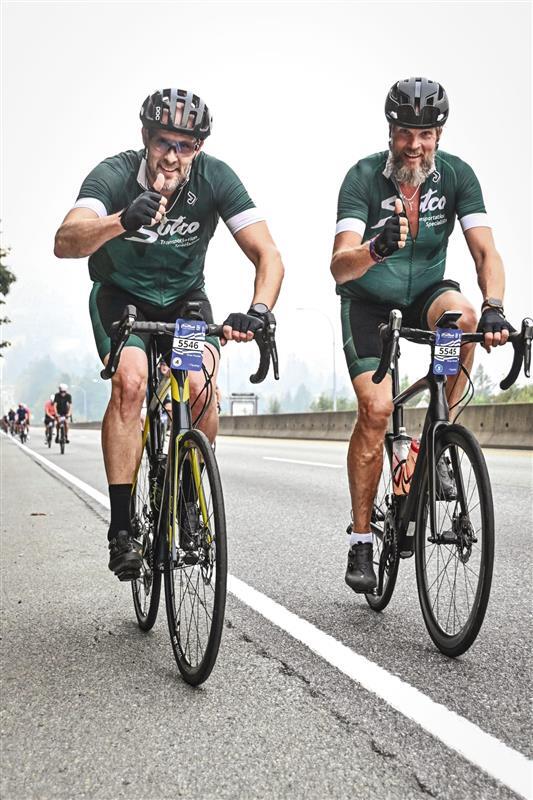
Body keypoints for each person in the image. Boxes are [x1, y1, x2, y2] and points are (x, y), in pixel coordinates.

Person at [54, 87, 284, 581]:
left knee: (199, 386)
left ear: (199, 147)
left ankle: (189, 494)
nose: (172, 156)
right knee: (131, 381)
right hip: (122, 298)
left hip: (183, 303)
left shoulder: (215, 177)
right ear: (145, 137)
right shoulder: (114, 174)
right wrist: (120, 220)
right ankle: (122, 529)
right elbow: (65, 241)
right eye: (163, 142)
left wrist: (259, 309)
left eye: (185, 146)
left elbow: (267, 254)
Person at [330, 77, 512, 594]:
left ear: (439, 135)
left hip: (427, 292)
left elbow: (485, 251)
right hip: (368, 300)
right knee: (376, 410)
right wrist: (374, 249)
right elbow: (339, 265)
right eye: (406, 133)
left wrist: (495, 306)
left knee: (465, 318)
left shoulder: (456, 177)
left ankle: (438, 436)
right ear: (391, 131)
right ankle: (361, 539)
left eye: (425, 134)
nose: (415, 145)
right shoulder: (362, 178)